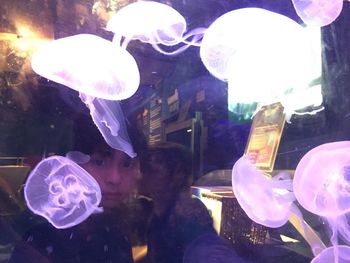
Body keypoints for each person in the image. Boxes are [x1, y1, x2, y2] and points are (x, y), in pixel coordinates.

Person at [9, 113, 147, 263]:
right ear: (69, 164)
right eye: (99, 162)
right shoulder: (41, 233)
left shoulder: (118, 227)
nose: (114, 178)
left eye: (127, 164)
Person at [139, 142, 244, 263]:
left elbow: (210, 250)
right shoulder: (158, 209)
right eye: (141, 168)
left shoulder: (187, 215)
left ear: (177, 176)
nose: (139, 175)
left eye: (151, 170)